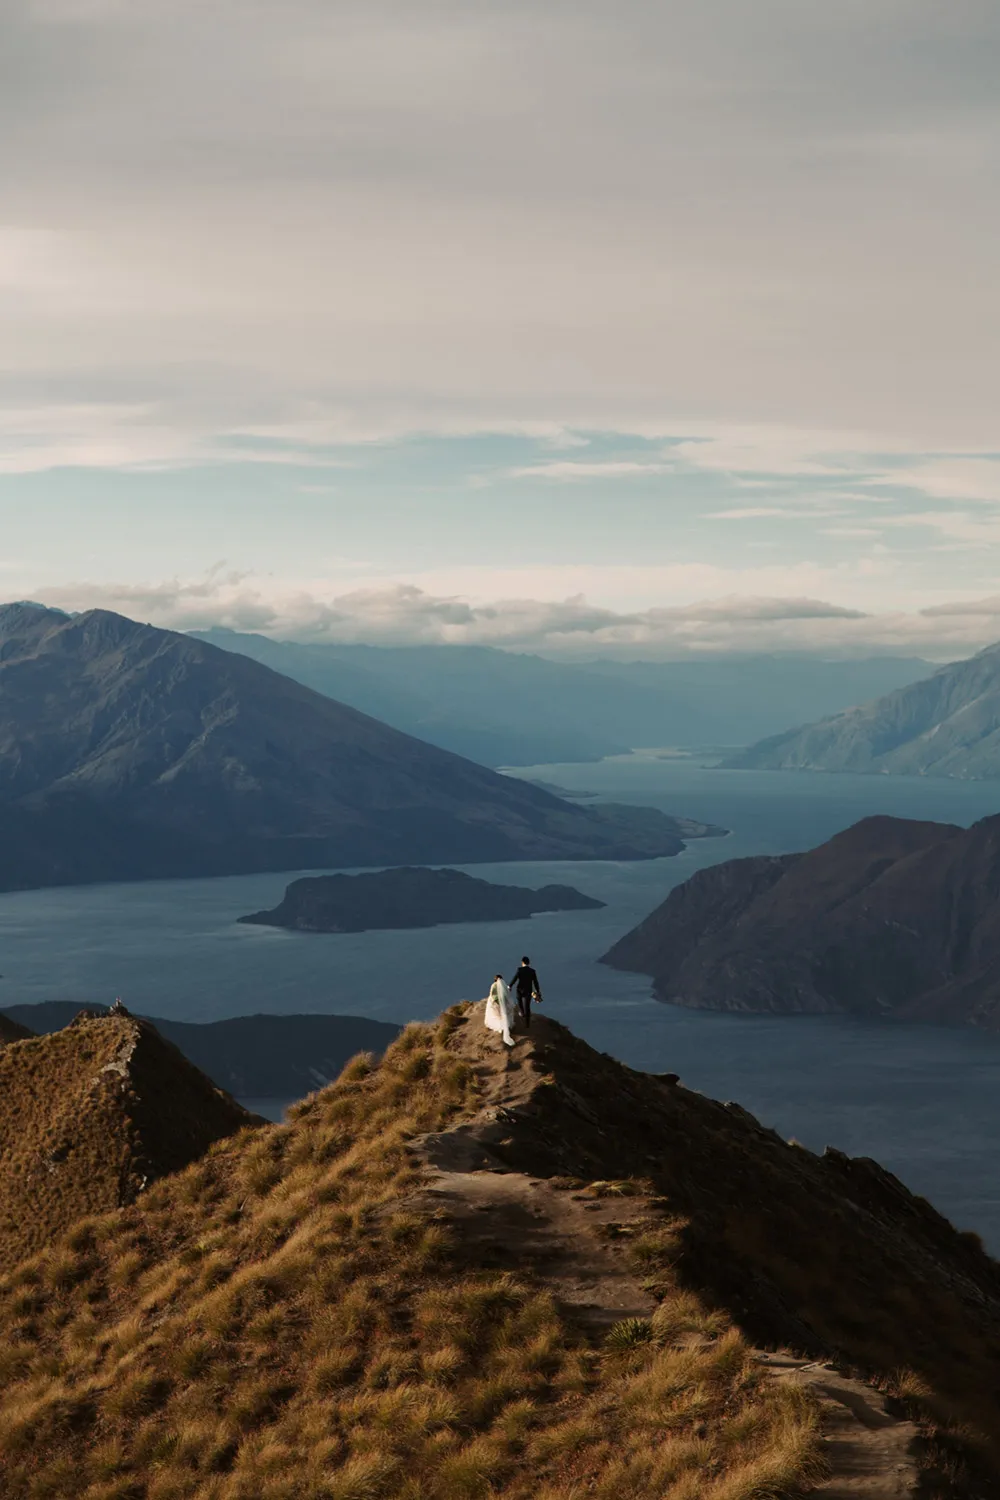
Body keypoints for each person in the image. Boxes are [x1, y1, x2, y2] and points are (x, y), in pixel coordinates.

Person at [509, 955, 542, 1029]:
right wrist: (538, 991)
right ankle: (527, 1024)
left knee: (519, 1000)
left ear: (522, 962)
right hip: (528, 990)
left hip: (519, 989)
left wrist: (510, 986)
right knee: (527, 1006)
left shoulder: (519, 970)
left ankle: (522, 1012)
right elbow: (535, 982)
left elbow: (515, 979)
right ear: (529, 963)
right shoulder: (532, 971)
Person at [483, 974, 515, 1047]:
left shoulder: (493, 985)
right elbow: (507, 994)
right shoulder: (504, 985)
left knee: (497, 1015)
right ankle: (506, 1025)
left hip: (496, 1003)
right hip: (503, 1002)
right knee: (504, 1013)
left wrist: (495, 1000)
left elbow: (491, 994)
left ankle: (500, 1026)